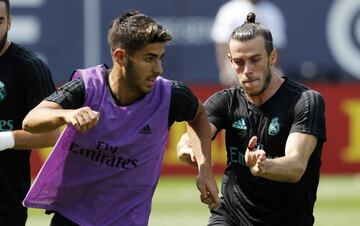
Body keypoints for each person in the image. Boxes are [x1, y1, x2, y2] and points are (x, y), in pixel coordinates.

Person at [21, 10, 220, 226]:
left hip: (129, 220)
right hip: (72, 218)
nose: (158, 69)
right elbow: (31, 119)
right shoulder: (86, 86)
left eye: (160, 58)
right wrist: (67, 114)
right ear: (120, 57)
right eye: (149, 59)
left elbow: (199, 115)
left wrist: (205, 169)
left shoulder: (172, 95)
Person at [178, 12, 326, 226]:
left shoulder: (305, 101)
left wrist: (263, 166)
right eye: (238, 62)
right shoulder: (225, 101)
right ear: (229, 61)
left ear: (272, 57)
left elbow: (296, 167)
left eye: (255, 60)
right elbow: (191, 135)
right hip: (230, 216)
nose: (247, 70)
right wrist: (195, 158)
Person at [0, 0, 60, 225]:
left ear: (10, 23)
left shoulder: (29, 67)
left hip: (5, 200)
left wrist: (3, 139)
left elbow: (52, 134)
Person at [211, 0, 287, 86]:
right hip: (237, 62)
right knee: (231, 73)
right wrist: (224, 70)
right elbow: (222, 44)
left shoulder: (272, 12)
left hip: (262, 62)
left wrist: (269, 69)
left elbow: (275, 47)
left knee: (279, 77)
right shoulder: (229, 10)